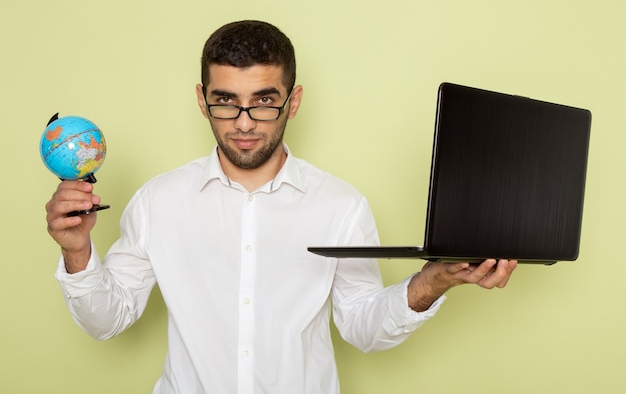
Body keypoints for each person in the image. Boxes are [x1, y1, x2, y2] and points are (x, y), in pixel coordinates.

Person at [45, 20, 517, 394]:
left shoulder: (341, 205)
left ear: (293, 102)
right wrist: (78, 252)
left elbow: (363, 329)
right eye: (225, 101)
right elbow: (107, 322)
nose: (244, 123)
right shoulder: (158, 200)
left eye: (264, 101)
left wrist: (433, 280)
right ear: (202, 101)